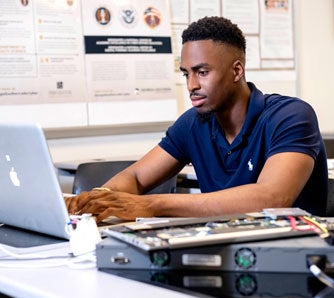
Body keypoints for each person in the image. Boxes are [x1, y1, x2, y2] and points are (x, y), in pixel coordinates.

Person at [65, 16, 328, 222]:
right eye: (186, 74)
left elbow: (272, 198)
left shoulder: (290, 115)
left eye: (202, 72)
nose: (191, 85)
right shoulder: (193, 123)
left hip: (293, 260)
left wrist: (151, 205)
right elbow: (135, 177)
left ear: (237, 70)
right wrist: (98, 201)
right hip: (222, 249)